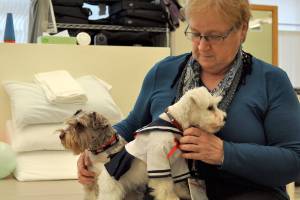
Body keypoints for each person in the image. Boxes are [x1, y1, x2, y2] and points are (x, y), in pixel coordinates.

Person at [77, 0, 300, 199]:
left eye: (215, 36)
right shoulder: (163, 71)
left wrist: (225, 153)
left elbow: (295, 160)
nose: (202, 46)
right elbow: (133, 126)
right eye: (195, 34)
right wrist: (95, 149)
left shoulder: (271, 81)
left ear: (242, 30)